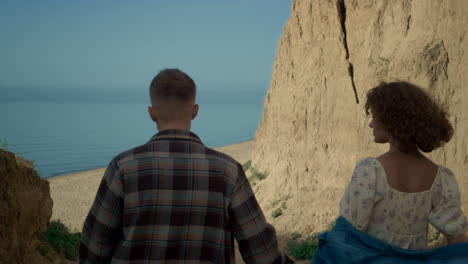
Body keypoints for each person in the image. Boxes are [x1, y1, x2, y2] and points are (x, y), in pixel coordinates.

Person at [79, 69, 292, 263]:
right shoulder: (228, 171)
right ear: (195, 111)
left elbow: (94, 246)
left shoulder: (123, 168)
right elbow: (262, 252)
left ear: (151, 113)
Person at [313, 81, 468, 263]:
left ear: (392, 120)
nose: (371, 124)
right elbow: (457, 238)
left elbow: (347, 233)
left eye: (375, 117)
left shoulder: (371, 171)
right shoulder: (441, 178)